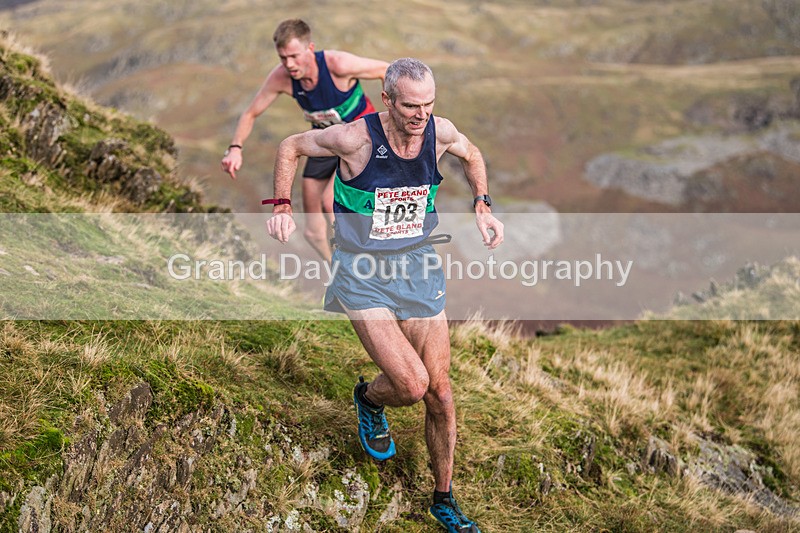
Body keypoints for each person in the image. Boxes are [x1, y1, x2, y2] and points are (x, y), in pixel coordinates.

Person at [266, 58, 503, 533]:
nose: (421, 115)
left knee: (440, 393)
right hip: (362, 273)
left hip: (417, 267)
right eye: (411, 106)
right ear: (388, 100)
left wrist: (482, 203)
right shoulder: (354, 139)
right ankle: (369, 398)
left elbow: (472, 153)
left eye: (429, 104)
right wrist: (282, 206)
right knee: (411, 386)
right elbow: (291, 146)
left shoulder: (439, 131)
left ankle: (443, 499)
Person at [221, 18, 388, 262]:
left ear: (310, 48)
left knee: (330, 201)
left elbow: (386, 70)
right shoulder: (282, 77)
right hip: (324, 142)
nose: (289, 64)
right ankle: (338, 271)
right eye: (283, 58)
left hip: (360, 141)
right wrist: (235, 148)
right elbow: (250, 113)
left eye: (294, 56)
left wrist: (391, 121)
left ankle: (360, 263)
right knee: (312, 230)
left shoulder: (338, 65)